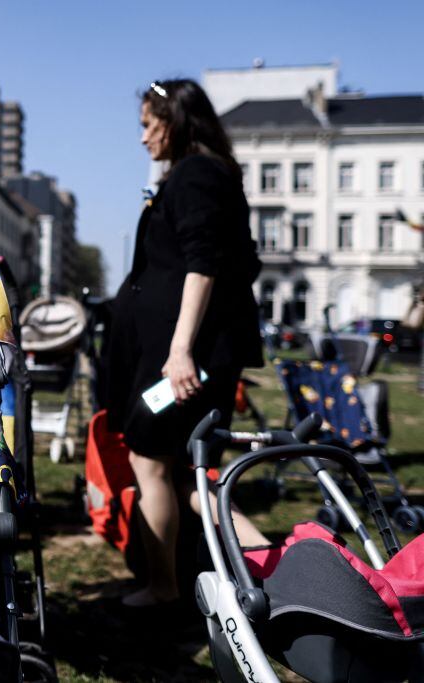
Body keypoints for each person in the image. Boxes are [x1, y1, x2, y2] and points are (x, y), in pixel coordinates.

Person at [107, 79, 268, 609]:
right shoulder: (198, 173)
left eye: (149, 125)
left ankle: (164, 587)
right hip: (181, 357)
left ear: (174, 121)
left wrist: (179, 353)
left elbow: (203, 266)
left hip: (181, 363)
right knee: (185, 472)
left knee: (151, 459)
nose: (142, 138)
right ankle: (270, 568)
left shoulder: (197, 174)